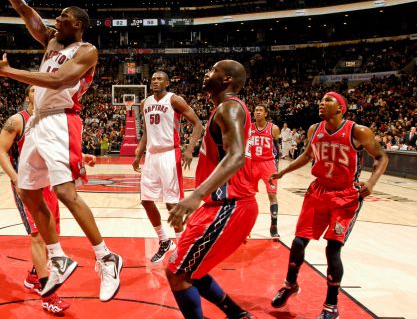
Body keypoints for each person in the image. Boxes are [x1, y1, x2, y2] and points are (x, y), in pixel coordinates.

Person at [0, 0, 122, 302]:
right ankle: (58, 257)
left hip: (62, 120)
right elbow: (21, 5)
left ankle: (106, 257)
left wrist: (8, 72)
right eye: (56, 19)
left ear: (78, 24)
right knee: (28, 192)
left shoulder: (87, 51)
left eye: (63, 18)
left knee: (65, 192)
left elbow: (59, 81)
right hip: (39, 123)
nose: (56, 21)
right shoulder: (52, 42)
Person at [269, 92, 388, 319]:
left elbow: (382, 156)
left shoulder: (358, 131)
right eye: (321, 100)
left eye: (328, 100)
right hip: (318, 191)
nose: (322, 103)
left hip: (345, 196)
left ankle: (331, 306)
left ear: (340, 108)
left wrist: (372, 183)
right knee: (297, 242)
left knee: (332, 249)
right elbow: (306, 155)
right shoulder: (315, 129)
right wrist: (283, 171)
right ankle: (290, 284)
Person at [166, 60, 257, 319]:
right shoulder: (224, 108)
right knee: (191, 269)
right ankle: (238, 314)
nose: (206, 73)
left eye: (213, 70)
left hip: (230, 205)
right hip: (222, 207)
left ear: (227, 79)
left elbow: (236, 156)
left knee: (177, 274)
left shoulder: (229, 108)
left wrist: (194, 196)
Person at [0, 86, 79, 315]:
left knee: (51, 233)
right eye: (33, 89)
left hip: (49, 184)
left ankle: (34, 275)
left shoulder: (49, 120)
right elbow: (1, 152)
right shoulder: (17, 120)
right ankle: (48, 294)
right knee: (38, 237)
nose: (37, 92)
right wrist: (16, 180)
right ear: (27, 95)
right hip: (27, 186)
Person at [132, 71, 203, 263]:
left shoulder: (175, 100)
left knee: (172, 203)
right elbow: (147, 131)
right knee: (146, 200)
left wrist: (189, 149)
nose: (155, 81)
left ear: (167, 82)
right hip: (152, 156)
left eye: (159, 79)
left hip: (170, 153)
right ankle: (164, 241)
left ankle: (182, 246)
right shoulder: (144, 103)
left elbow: (198, 124)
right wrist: (139, 154)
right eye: (153, 78)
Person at [249, 103, 281, 239]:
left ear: (266, 113)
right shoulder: (248, 128)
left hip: (268, 164)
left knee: (272, 195)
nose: (257, 112)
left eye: (261, 110)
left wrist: (277, 168)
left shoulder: (273, 128)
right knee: (247, 196)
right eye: (256, 110)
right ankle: (246, 226)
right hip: (252, 163)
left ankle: (274, 226)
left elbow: (278, 150)